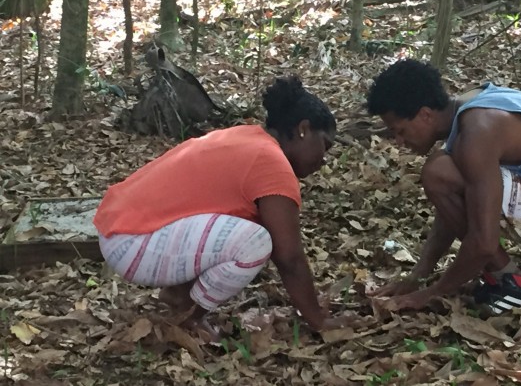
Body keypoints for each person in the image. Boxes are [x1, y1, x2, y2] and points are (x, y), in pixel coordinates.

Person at [93, 76, 352, 340]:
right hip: (132, 244)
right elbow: (290, 258)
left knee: (253, 230)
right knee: (256, 242)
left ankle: (178, 295)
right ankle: (187, 317)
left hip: (120, 233)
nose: (324, 159)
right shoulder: (271, 161)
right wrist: (318, 320)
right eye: (325, 145)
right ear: (303, 129)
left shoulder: (247, 137)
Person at [365, 59, 521, 314]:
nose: (399, 141)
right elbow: (453, 208)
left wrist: (431, 293)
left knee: (439, 172)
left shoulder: (477, 131)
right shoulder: (470, 103)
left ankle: (515, 285)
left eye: (400, 131)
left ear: (425, 114)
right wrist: (417, 275)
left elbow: (484, 241)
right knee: (448, 173)